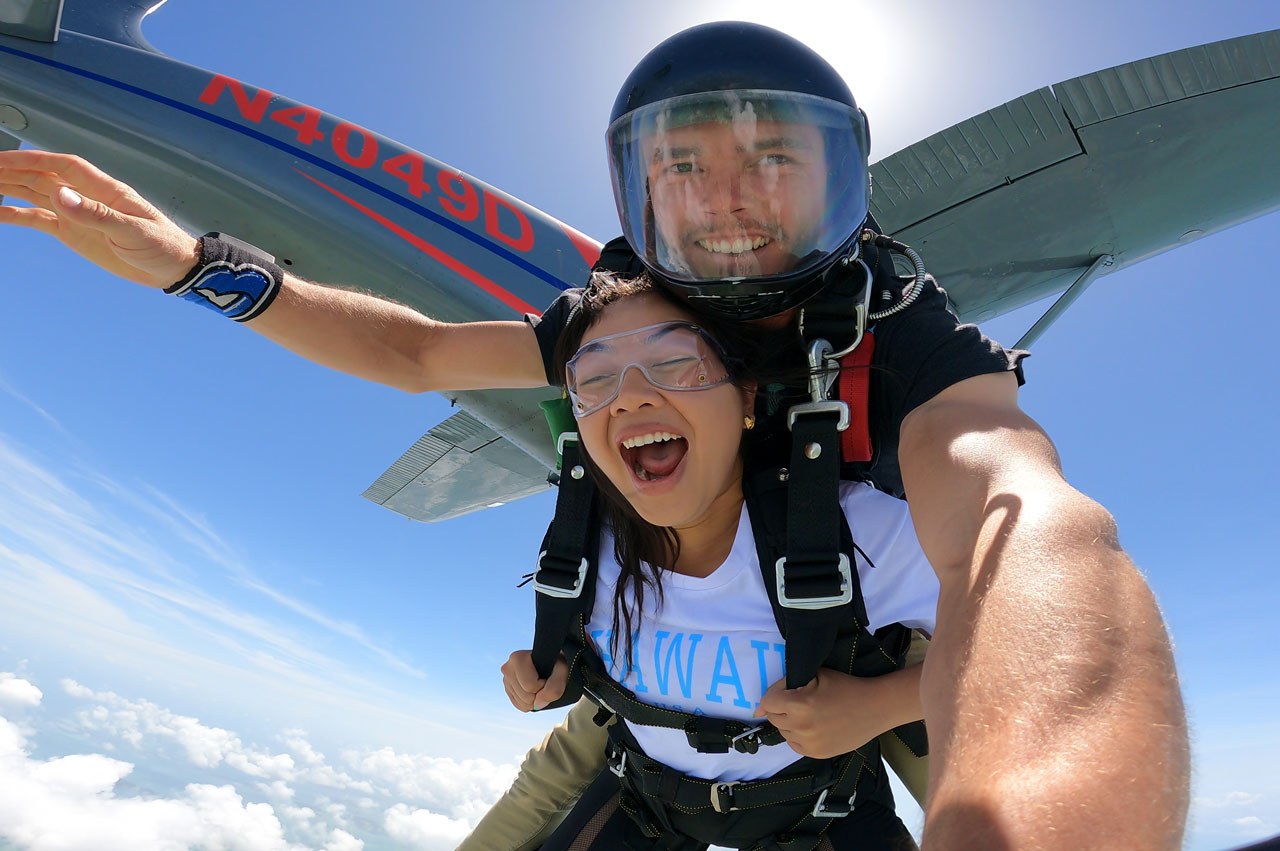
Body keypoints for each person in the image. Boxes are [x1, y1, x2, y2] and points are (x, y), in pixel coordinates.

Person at [0, 20, 1189, 849]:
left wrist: (943, 749)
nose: (726, 200)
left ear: (841, 179)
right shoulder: (605, 326)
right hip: (630, 740)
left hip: (836, 728)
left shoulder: (909, 344)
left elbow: (1025, 527)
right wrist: (197, 266)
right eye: (683, 164)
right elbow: (414, 351)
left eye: (773, 158)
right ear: (639, 198)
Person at [502, 271, 936, 850]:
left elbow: (1040, 650)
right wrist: (564, 667)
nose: (630, 395)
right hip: (647, 798)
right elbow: (418, 356)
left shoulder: (853, 532)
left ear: (748, 392)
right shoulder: (586, 543)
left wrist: (882, 705)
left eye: (679, 363)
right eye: (595, 379)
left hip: (819, 809)